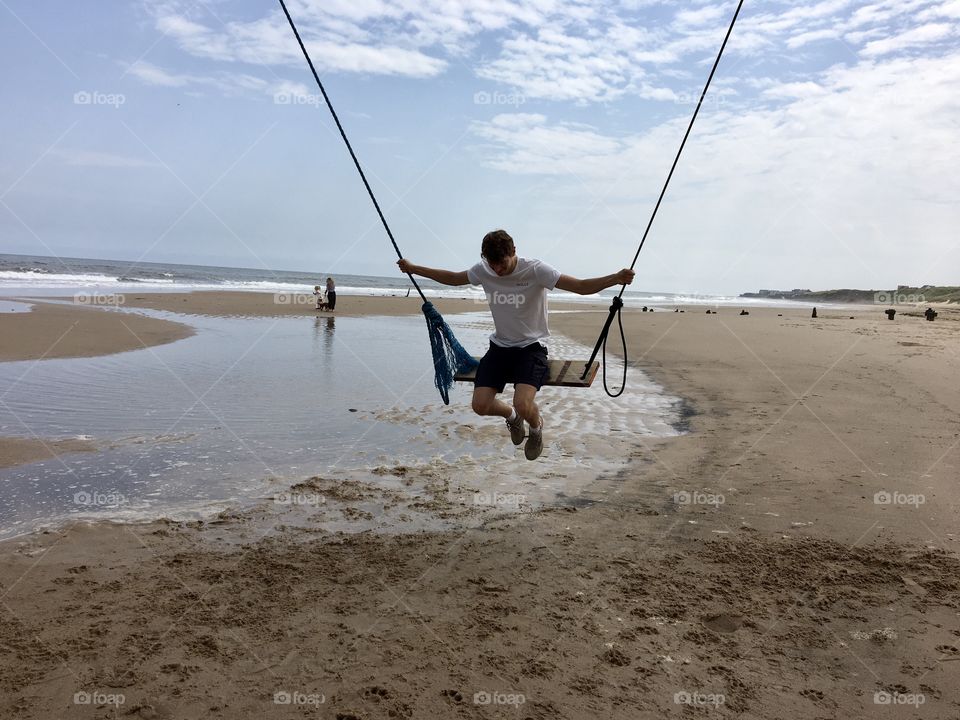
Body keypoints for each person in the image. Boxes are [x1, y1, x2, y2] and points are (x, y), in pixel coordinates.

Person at [398, 229, 634, 461]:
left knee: (522, 403)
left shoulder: (536, 269)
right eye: (492, 265)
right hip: (499, 348)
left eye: (502, 263)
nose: (497, 270)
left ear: (514, 252)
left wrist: (615, 278)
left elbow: (581, 286)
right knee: (480, 405)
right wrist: (414, 268)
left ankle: (536, 426)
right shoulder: (484, 269)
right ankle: (512, 417)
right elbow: (454, 278)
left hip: (532, 348)